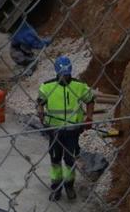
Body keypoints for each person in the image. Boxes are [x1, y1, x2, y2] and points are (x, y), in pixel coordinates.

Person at [36, 56, 95, 200]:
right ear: (57, 72)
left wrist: (89, 118)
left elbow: (90, 100)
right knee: (55, 159)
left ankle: (69, 185)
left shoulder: (79, 86)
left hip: (73, 131)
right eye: (62, 74)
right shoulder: (47, 87)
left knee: (70, 159)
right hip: (54, 130)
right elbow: (40, 103)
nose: (64, 77)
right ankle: (56, 187)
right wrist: (40, 111)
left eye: (66, 74)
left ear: (70, 72)